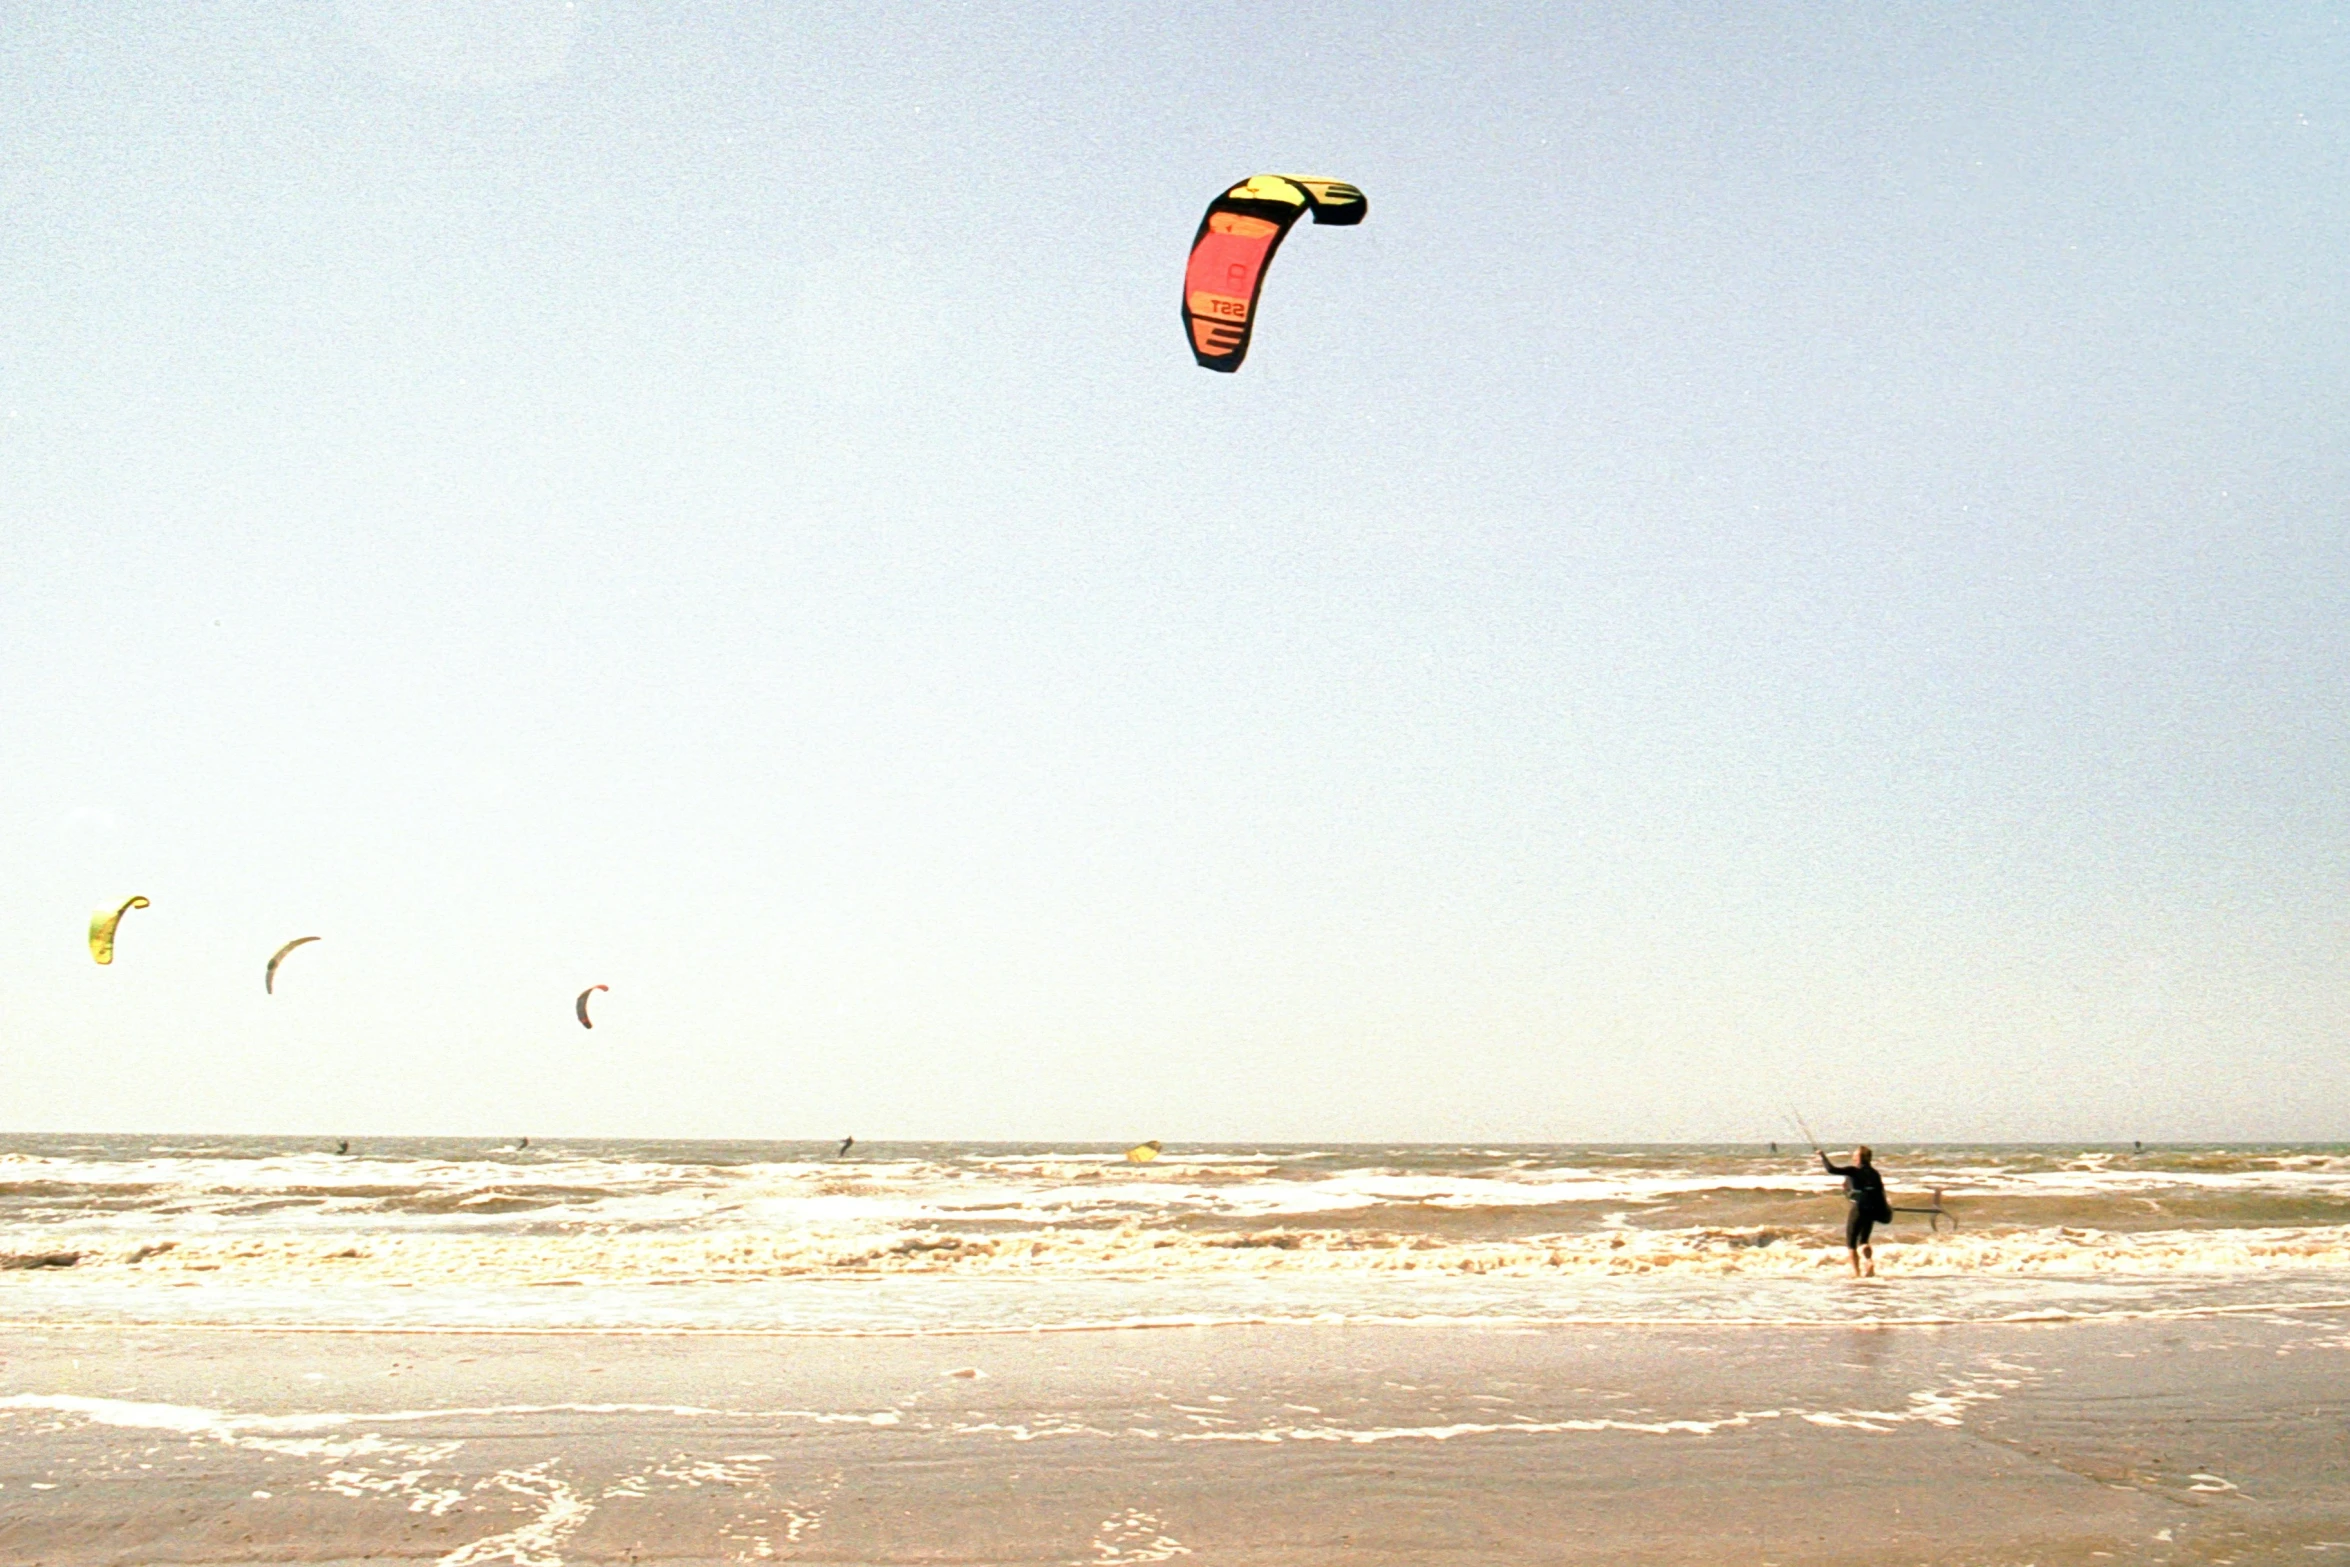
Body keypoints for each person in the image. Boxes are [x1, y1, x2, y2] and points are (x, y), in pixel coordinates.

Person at [1821, 1145, 1892, 1277]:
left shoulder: (1854, 1171)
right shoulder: (1874, 1173)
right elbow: (1880, 1193)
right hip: (1872, 1209)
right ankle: (1869, 1261)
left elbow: (1831, 1169)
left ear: (1861, 1157)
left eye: (1855, 1155)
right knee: (1864, 1241)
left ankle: (1856, 1273)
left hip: (1859, 1208)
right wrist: (1885, 1208)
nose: (1853, 1157)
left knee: (1851, 1243)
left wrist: (1822, 1156)